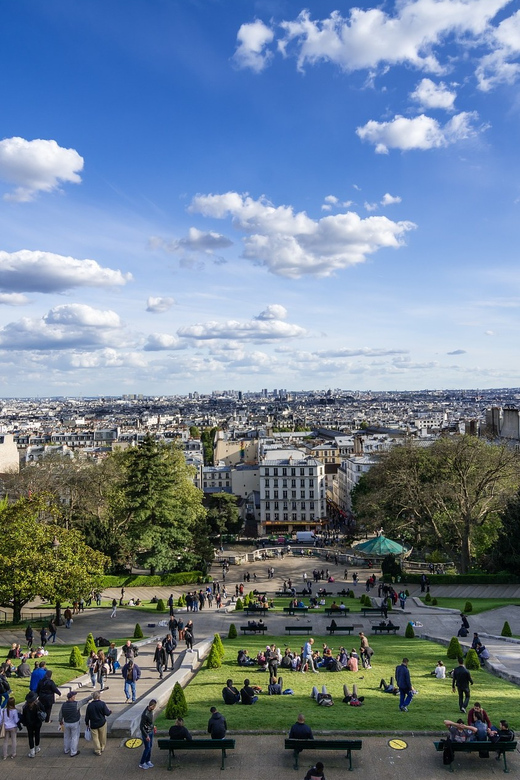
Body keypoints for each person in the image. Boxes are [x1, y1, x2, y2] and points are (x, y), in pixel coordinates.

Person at [58, 689, 91, 758]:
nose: (75, 697)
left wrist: (60, 721)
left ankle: (66, 749)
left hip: (66, 723)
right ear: (71, 697)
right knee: (74, 737)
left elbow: (60, 714)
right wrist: (92, 696)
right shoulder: (76, 704)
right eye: (74, 696)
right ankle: (73, 752)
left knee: (67, 737)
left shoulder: (63, 705)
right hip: (75, 723)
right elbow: (85, 701)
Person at [84, 690, 111, 756]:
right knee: (102, 736)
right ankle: (102, 747)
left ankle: (97, 750)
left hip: (93, 724)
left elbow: (87, 716)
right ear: (99, 697)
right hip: (102, 722)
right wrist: (110, 712)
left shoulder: (90, 705)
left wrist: (87, 723)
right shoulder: (102, 704)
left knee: (95, 737)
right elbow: (107, 713)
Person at [21, 691, 46, 757]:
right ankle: (37, 748)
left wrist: (25, 723)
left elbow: (23, 716)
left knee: (30, 736)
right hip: (37, 722)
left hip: (29, 724)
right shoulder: (38, 704)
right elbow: (44, 710)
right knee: (37, 734)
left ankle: (32, 752)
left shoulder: (25, 707)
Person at [139, 699, 157, 769]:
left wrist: (153, 726)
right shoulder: (145, 714)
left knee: (150, 746)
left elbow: (149, 723)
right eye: (154, 706)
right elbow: (141, 726)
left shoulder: (150, 711)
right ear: (152, 706)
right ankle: (142, 762)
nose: (155, 708)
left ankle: (148, 760)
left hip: (150, 731)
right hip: (147, 733)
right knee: (147, 748)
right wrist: (146, 735)